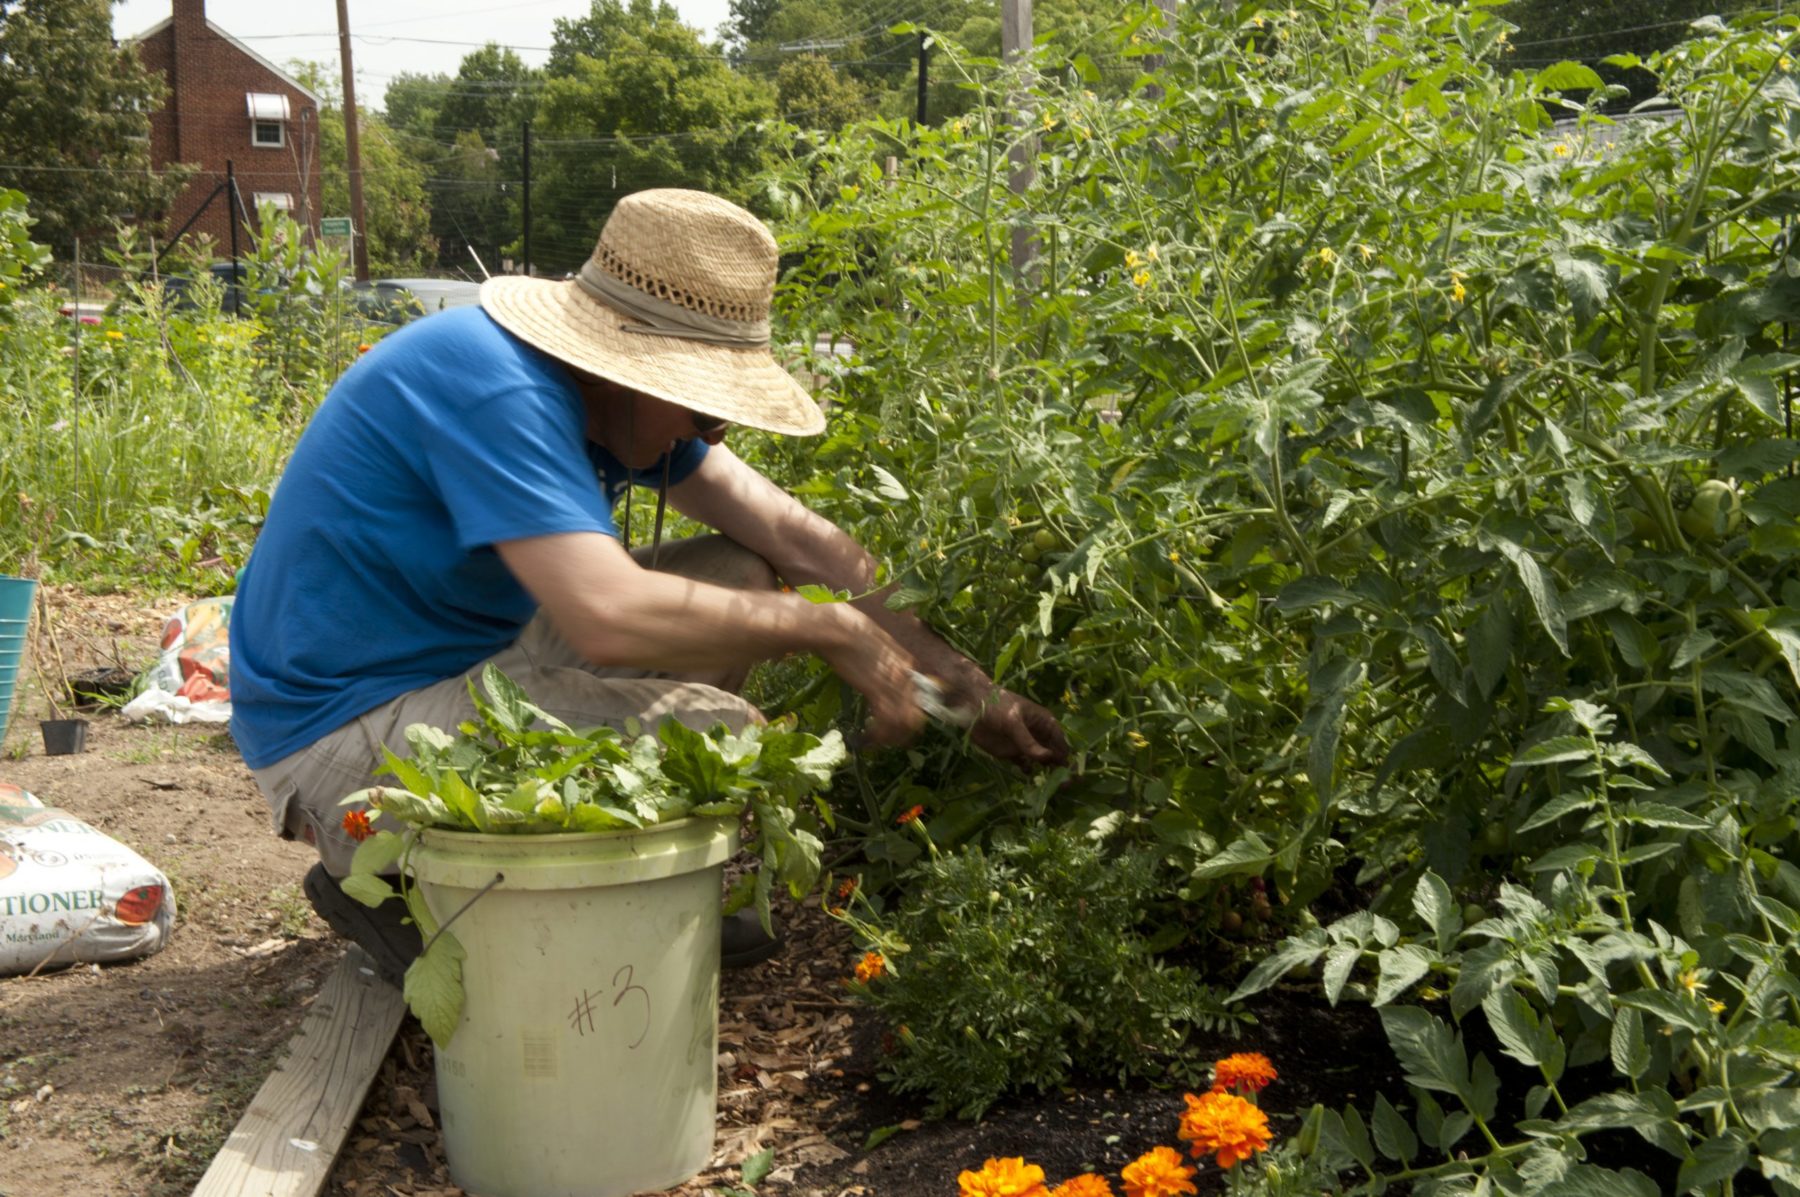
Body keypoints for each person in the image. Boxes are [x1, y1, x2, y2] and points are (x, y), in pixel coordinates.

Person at [228, 189, 1068, 982]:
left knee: (742, 572)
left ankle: (573, 882)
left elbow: (805, 544)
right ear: (633, 364)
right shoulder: (494, 382)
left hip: (456, 660)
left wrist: (969, 685)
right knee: (721, 731)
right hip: (344, 733)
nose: (716, 429)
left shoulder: (607, 403)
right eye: (702, 409)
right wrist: (833, 632)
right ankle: (415, 893)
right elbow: (606, 616)